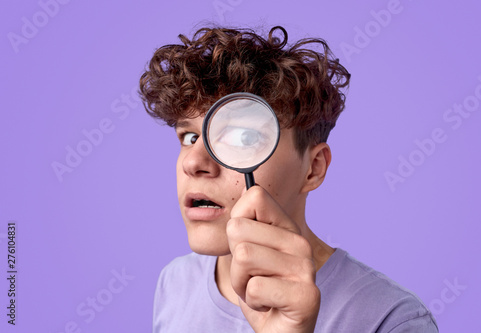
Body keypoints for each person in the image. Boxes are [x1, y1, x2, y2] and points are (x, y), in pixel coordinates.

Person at [139, 25, 439, 332]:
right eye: (189, 137)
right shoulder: (174, 282)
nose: (193, 162)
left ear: (313, 169)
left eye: (242, 137)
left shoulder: (392, 319)